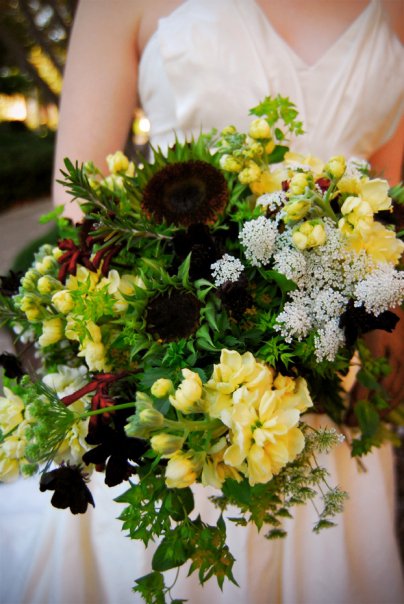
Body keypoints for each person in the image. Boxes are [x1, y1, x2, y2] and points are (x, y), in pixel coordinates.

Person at [1, 1, 403, 603]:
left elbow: (390, 211)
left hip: (333, 386)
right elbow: (76, 213)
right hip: (165, 377)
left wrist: (386, 346)